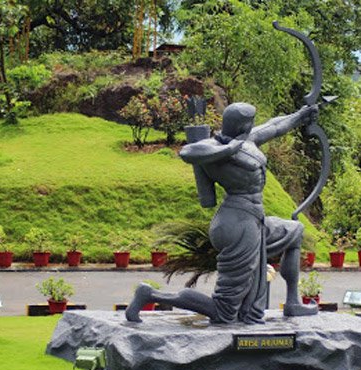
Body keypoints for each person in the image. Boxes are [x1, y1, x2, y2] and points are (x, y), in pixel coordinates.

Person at [126, 102, 319, 324]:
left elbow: (274, 126)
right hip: (236, 225)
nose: (254, 125)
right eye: (251, 122)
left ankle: (293, 302)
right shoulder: (213, 147)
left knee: (294, 231)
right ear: (243, 125)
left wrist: (301, 115)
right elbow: (188, 152)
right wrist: (229, 150)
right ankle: (150, 294)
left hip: (253, 219)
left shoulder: (248, 139)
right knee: (224, 312)